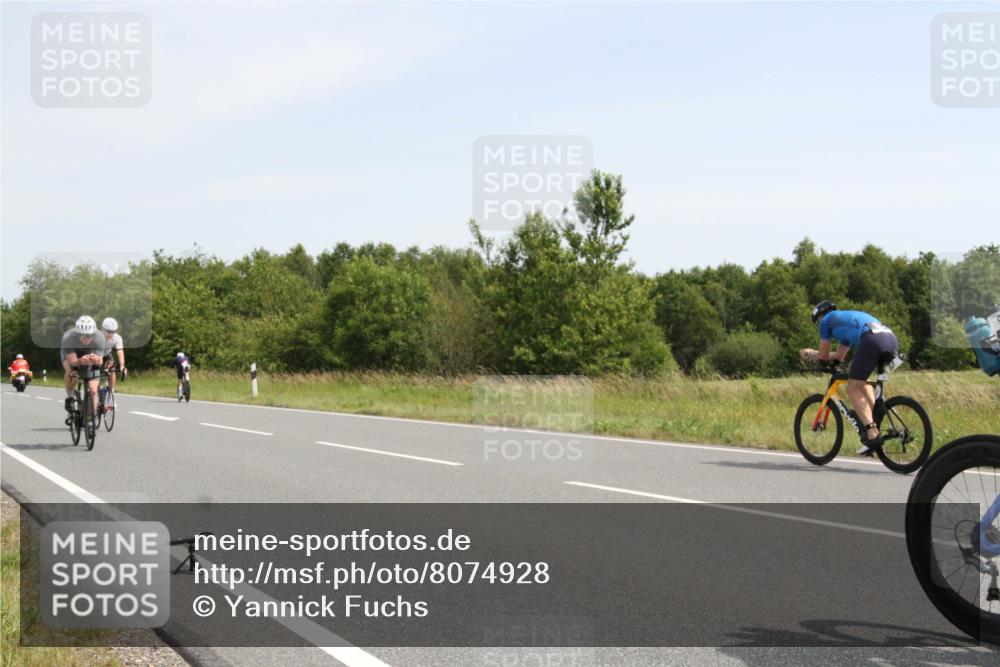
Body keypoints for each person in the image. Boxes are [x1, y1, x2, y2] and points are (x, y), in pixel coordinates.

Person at [800, 301, 899, 456]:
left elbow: (824, 355)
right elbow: (839, 356)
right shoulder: (843, 324)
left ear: (820, 316)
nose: (819, 326)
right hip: (890, 339)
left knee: (852, 389)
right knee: (857, 375)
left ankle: (872, 433)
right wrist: (822, 355)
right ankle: (877, 415)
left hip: (872, 340)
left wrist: (810, 353)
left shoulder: (826, 321)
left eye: (817, 322)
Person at [60, 316, 107, 418]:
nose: (86, 338)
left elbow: (100, 361)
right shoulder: (68, 338)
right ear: (78, 333)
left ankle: (92, 416)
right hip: (72, 354)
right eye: (83, 336)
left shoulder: (100, 338)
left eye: (89, 336)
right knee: (71, 372)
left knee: (93, 389)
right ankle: (70, 397)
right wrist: (80, 361)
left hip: (90, 353)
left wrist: (96, 360)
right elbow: (73, 362)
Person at [100, 317, 127, 409]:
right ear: (102, 329)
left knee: (112, 369)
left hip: (106, 355)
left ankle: (111, 397)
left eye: (113, 331)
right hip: (94, 354)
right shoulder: (96, 337)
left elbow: (120, 351)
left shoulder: (117, 338)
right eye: (108, 331)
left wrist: (122, 366)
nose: (111, 334)